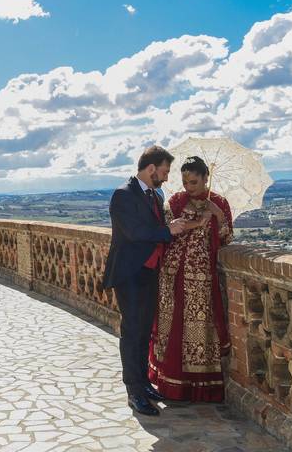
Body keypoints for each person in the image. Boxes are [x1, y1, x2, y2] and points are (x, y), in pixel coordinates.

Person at [103, 146, 197, 417]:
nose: (167, 178)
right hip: (129, 274)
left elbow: (154, 230)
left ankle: (144, 383)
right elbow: (134, 232)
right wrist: (168, 230)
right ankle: (133, 390)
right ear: (151, 168)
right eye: (165, 171)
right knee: (132, 332)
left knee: (145, 331)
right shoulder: (123, 194)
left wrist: (173, 226)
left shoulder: (154, 195)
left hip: (149, 272)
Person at [148, 155, 233, 402]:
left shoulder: (219, 203)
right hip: (172, 274)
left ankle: (199, 387)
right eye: (185, 181)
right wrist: (197, 222)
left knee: (199, 328)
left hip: (201, 277)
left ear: (206, 178)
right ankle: (169, 382)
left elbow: (227, 238)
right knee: (171, 326)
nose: (188, 187)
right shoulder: (176, 201)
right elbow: (168, 229)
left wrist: (216, 214)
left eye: (194, 182)